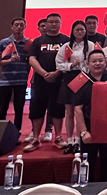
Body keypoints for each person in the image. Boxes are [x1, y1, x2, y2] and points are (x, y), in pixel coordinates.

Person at [25, 13, 70, 152]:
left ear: (60, 23)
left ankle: (58, 137)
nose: (54, 24)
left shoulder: (66, 41)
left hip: (59, 80)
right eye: (51, 22)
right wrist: (44, 73)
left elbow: (69, 60)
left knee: (58, 109)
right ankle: (36, 139)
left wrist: (56, 73)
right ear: (47, 23)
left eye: (57, 21)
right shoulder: (38, 41)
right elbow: (32, 59)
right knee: (37, 109)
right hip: (40, 81)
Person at [74, 49, 107, 182]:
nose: (97, 64)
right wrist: (84, 132)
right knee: (88, 163)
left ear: (106, 62)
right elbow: (77, 109)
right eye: (94, 61)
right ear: (87, 64)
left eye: (100, 60)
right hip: (89, 128)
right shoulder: (79, 80)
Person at [55, 20, 94, 154]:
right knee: (69, 112)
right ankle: (70, 141)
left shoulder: (90, 45)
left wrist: (84, 66)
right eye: (77, 30)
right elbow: (58, 64)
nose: (79, 32)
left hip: (83, 79)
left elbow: (94, 60)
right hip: (69, 78)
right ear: (72, 31)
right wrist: (71, 65)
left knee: (80, 110)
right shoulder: (66, 46)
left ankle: (78, 140)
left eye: (82, 30)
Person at [0, 17, 30, 135]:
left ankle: (16, 132)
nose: (19, 27)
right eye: (16, 25)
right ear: (11, 27)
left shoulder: (28, 43)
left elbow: (30, 61)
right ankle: (0, 131)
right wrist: (10, 60)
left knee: (19, 107)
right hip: (5, 80)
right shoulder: (4, 42)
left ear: (25, 27)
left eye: (21, 25)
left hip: (21, 80)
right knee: (3, 107)